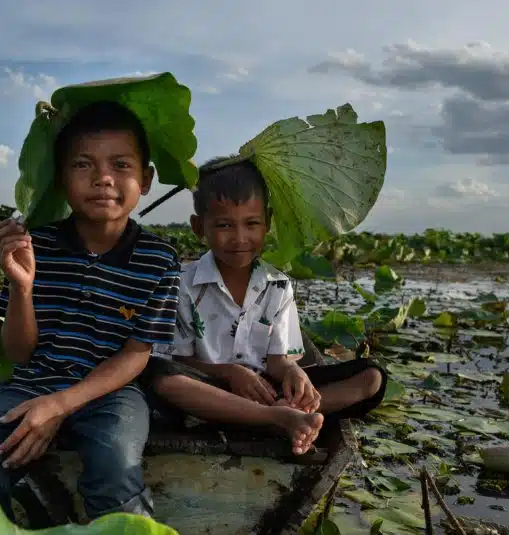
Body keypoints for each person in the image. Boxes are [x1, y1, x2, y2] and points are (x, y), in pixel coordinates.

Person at [0, 101, 181, 522]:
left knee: (116, 462)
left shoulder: (159, 258)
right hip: (32, 383)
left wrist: (60, 405)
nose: (103, 179)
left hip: (112, 393)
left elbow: (136, 355)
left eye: (120, 164)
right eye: (83, 164)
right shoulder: (35, 246)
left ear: (145, 179)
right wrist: (22, 287)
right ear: (61, 178)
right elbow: (20, 355)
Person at [145, 157, 388, 455]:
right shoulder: (183, 283)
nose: (240, 238)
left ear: (268, 222)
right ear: (199, 226)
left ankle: (273, 414)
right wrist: (228, 372)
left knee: (372, 377)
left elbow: (278, 359)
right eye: (224, 225)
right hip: (209, 388)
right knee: (161, 376)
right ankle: (275, 418)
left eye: (251, 224)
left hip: (266, 390)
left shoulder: (278, 285)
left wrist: (292, 373)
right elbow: (179, 360)